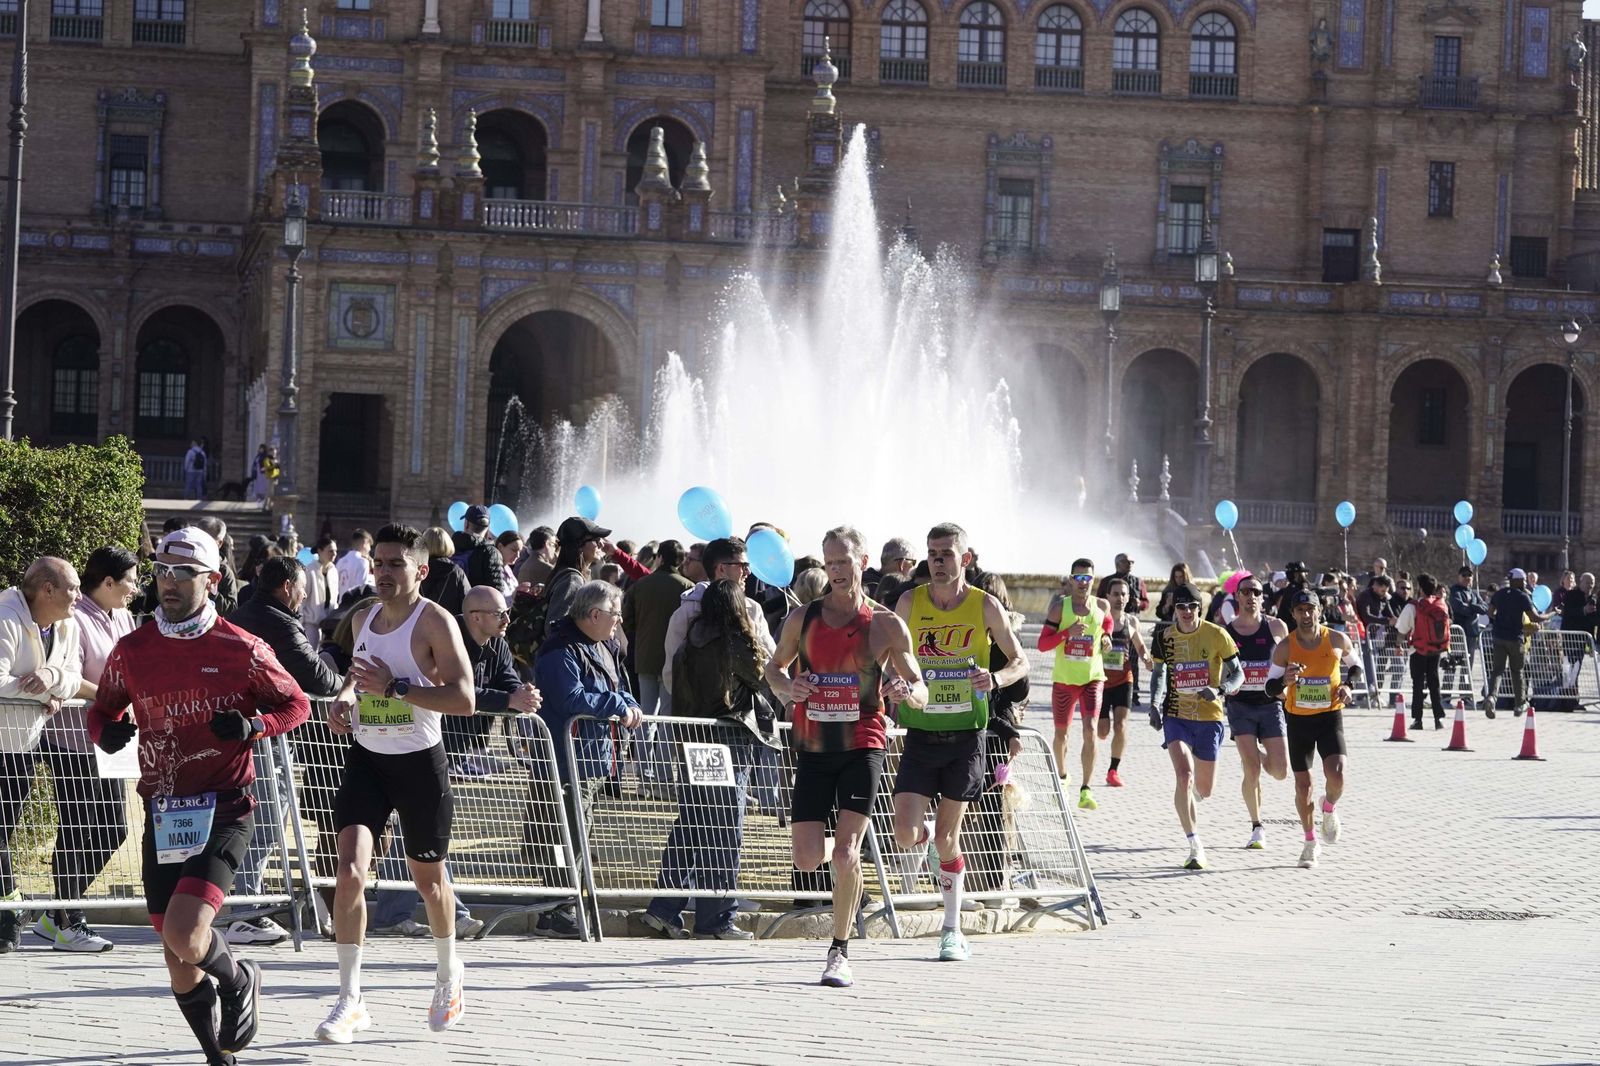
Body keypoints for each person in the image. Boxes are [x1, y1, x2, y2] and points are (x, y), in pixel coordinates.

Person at [87, 527, 311, 1066]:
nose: (168, 582)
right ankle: (217, 1057)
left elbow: (297, 705)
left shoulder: (243, 648)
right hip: (164, 810)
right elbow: (103, 709)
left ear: (210, 580)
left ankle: (240, 979)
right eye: (162, 570)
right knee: (176, 951)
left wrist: (254, 725)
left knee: (189, 932)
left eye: (182, 573)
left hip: (226, 806)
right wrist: (105, 731)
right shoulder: (133, 649)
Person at [316, 524, 476, 1043]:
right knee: (349, 873)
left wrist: (398, 688)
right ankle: (350, 1000)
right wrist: (344, 697)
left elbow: (464, 699)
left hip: (419, 764)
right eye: (378, 563)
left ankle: (449, 976)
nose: (382, 573)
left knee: (430, 883)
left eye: (394, 565)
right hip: (368, 760)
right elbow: (357, 674)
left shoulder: (436, 623)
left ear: (420, 571)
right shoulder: (363, 615)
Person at [765, 526, 927, 987]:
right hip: (815, 747)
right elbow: (773, 668)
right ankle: (855, 892)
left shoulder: (885, 624)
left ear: (863, 561)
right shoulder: (803, 619)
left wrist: (905, 690)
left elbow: (920, 688)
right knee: (805, 859)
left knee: (844, 853)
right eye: (828, 562)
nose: (836, 571)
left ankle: (840, 950)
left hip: (863, 744)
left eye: (843, 562)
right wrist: (788, 686)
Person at [891, 522, 1029, 963]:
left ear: (965, 559)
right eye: (932, 553)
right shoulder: (909, 602)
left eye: (946, 553)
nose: (937, 561)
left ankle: (951, 930)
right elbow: (888, 653)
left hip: (968, 736)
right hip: (921, 732)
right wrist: (892, 681)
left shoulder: (985, 605)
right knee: (906, 833)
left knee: (950, 840)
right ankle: (931, 834)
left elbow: (1020, 659)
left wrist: (997, 678)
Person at [371, 584, 536, 935]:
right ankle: (442, 912)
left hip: (456, 745)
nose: (507, 619)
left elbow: (507, 684)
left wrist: (522, 694)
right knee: (422, 825)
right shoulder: (445, 633)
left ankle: (400, 912)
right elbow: (455, 688)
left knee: (423, 826)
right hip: (419, 738)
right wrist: (507, 701)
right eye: (499, 613)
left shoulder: (498, 645)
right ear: (475, 617)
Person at [641, 578, 779, 941]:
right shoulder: (736, 640)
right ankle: (716, 920)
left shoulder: (689, 641)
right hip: (727, 740)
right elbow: (763, 674)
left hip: (692, 738)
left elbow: (671, 683)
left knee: (693, 823)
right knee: (724, 831)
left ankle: (664, 908)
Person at [22, 547, 140, 952]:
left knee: (112, 829)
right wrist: (112, 698)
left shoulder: (122, 615)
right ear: (108, 582)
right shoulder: (76, 616)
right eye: (131, 579)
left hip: (111, 741)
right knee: (79, 828)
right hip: (70, 739)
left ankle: (56, 914)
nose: (136, 588)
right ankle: (69, 919)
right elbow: (72, 676)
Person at [224, 555, 344, 946]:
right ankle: (246, 910)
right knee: (267, 821)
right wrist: (351, 682)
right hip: (261, 735)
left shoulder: (245, 613)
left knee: (255, 821)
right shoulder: (278, 623)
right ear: (288, 587)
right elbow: (317, 679)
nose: (306, 595)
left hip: (247, 732)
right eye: (303, 588)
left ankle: (244, 907)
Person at [531, 580, 644, 938]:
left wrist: (631, 705)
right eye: (615, 613)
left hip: (595, 759)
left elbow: (619, 687)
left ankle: (571, 902)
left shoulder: (603, 645)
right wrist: (617, 705)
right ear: (594, 614)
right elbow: (572, 699)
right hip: (567, 759)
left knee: (582, 835)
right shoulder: (559, 649)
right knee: (565, 836)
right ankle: (558, 907)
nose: (619, 620)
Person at [0, 558, 89, 952]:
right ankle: (9, 913)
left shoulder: (68, 624)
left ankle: (9, 913)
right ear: (47, 590)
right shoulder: (5, 616)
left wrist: (52, 682)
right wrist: (43, 695)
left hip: (23, 744)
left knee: (4, 832)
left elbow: (73, 675)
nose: (79, 595)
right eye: (72, 587)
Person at [1147, 582, 1243, 870]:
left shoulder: (1217, 634)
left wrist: (1221, 689)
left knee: (1204, 788)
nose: (1187, 612)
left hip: (1209, 717)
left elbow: (1239, 673)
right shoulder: (1164, 637)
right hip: (1176, 714)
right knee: (1184, 775)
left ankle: (1195, 799)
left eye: (1192, 606)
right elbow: (1159, 673)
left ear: (1200, 608)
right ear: (1173, 609)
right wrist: (1154, 702)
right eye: (1181, 607)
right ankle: (1194, 844)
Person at [1267, 589, 1363, 870]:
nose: (1306, 615)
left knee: (1338, 774)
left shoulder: (1335, 639)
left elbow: (1355, 665)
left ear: (1319, 611)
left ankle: (1329, 807)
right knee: (1303, 786)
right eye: (1300, 611)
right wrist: (1284, 680)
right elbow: (1270, 687)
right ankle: (1310, 842)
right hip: (1299, 721)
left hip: (1330, 716)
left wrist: (1348, 685)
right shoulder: (1285, 646)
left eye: (1311, 610)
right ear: (1293, 614)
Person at [1037, 557, 1112, 809]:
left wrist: (1107, 638)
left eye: (1088, 578)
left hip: (1092, 678)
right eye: (1079, 578)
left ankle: (1086, 788)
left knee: (1090, 729)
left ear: (1093, 580)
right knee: (1061, 734)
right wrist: (1067, 634)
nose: (1083, 583)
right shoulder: (1060, 608)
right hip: (1065, 681)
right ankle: (1062, 776)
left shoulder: (1101, 605)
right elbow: (1042, 645)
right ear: (1071, 580)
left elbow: (1107, 623)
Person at [621, 540, 692, 799]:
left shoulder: (641, 585)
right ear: (682, 561)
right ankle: (662, 778)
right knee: (667, 721)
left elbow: (627, 621)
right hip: (674, 662)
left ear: (660, 557)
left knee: (644, 718)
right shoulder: (687, 588)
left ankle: (644, 777)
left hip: (645, 657)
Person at [1222, 576, 1289, 849]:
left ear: (1263, 597)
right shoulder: (1227, 632)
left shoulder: (1276, 626)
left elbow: (1289, 660)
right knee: (1251, 769)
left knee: (1280, 771)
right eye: (1246, 592)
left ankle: (1254, 754)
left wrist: (1288, 684)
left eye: (1256, 592)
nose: (1251, 596)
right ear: (1237, 597)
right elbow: (1219, 669)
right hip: (1240, 706)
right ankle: (1257, 826)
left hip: (1270, 703)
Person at [1096, 577, 1148, 788]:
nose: (1120, 598)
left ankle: (1113, 770)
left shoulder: (1132, 621)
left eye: (1123, 594)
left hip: (1123, 680)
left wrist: (1146, 658)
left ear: (1128, 597)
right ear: (1107, 597)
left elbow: (1140, 645)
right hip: (1100, 679)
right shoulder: (1100, 620)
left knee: (1121, 724)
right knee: (1102, 731)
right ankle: (1102, 734)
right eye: (1115, 594)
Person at [1482, 568, 1545, 719]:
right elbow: (1535, 617)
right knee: (1517, 671)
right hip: (1515, 639)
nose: (1524, 583)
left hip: (1498, 637)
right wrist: (1551, 613)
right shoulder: (1523, 597)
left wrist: (1500, 619)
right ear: (1517, 581)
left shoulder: (1499, 594)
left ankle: (1491, 697)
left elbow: (1490, 612)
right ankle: (1520, 704)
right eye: (1523, 580)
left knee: (1497, 670)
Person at [1394, 572, 1449, 730]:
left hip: (1417, 650)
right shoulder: (1441, 604)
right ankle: (1439, 719)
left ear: (1420, 589)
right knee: (1434, 683)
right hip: (1435, 649)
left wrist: (1398, 646)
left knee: (1417, 684)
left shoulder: (1413, 606)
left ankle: (1418, 720)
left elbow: (1402, 629)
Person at [419, 526, 470, 617]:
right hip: (449, 625)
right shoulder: (456, 572)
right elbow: (468, 603)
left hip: (418, 626)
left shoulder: (417, 570)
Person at [301, 535, 342, 643]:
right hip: (311, 621)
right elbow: (303, 598)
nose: (334, 554)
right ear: (320, 551)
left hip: (330, 622)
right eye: (330, 551)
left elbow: (335, 595)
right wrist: (301, 621)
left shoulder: (333, 570)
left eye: (335, 551)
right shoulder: (310, 570)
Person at [336, 530, 374, 597]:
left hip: (341, 603)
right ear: (364, 543)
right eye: (369, 545)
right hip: (355, 605)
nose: (369, 549)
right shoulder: (363, 562)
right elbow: (362, 588)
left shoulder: (340, 561)